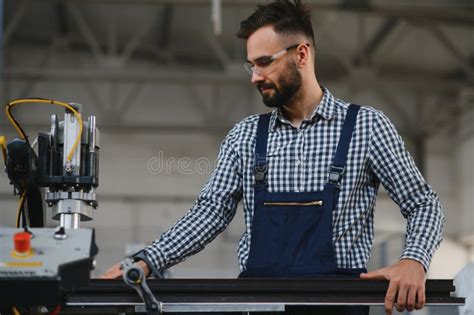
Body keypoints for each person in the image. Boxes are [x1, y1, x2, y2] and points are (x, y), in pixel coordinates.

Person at [101, 1, 444, 314]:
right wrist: (146, 261)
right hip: (259, 303)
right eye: (250, 65)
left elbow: (423, 203)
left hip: (339, 305)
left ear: (302, 54)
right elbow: (209, 213)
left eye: (264, 63)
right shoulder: (246, 135)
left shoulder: (366, 127)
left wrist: (414, 260)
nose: (254, 77)